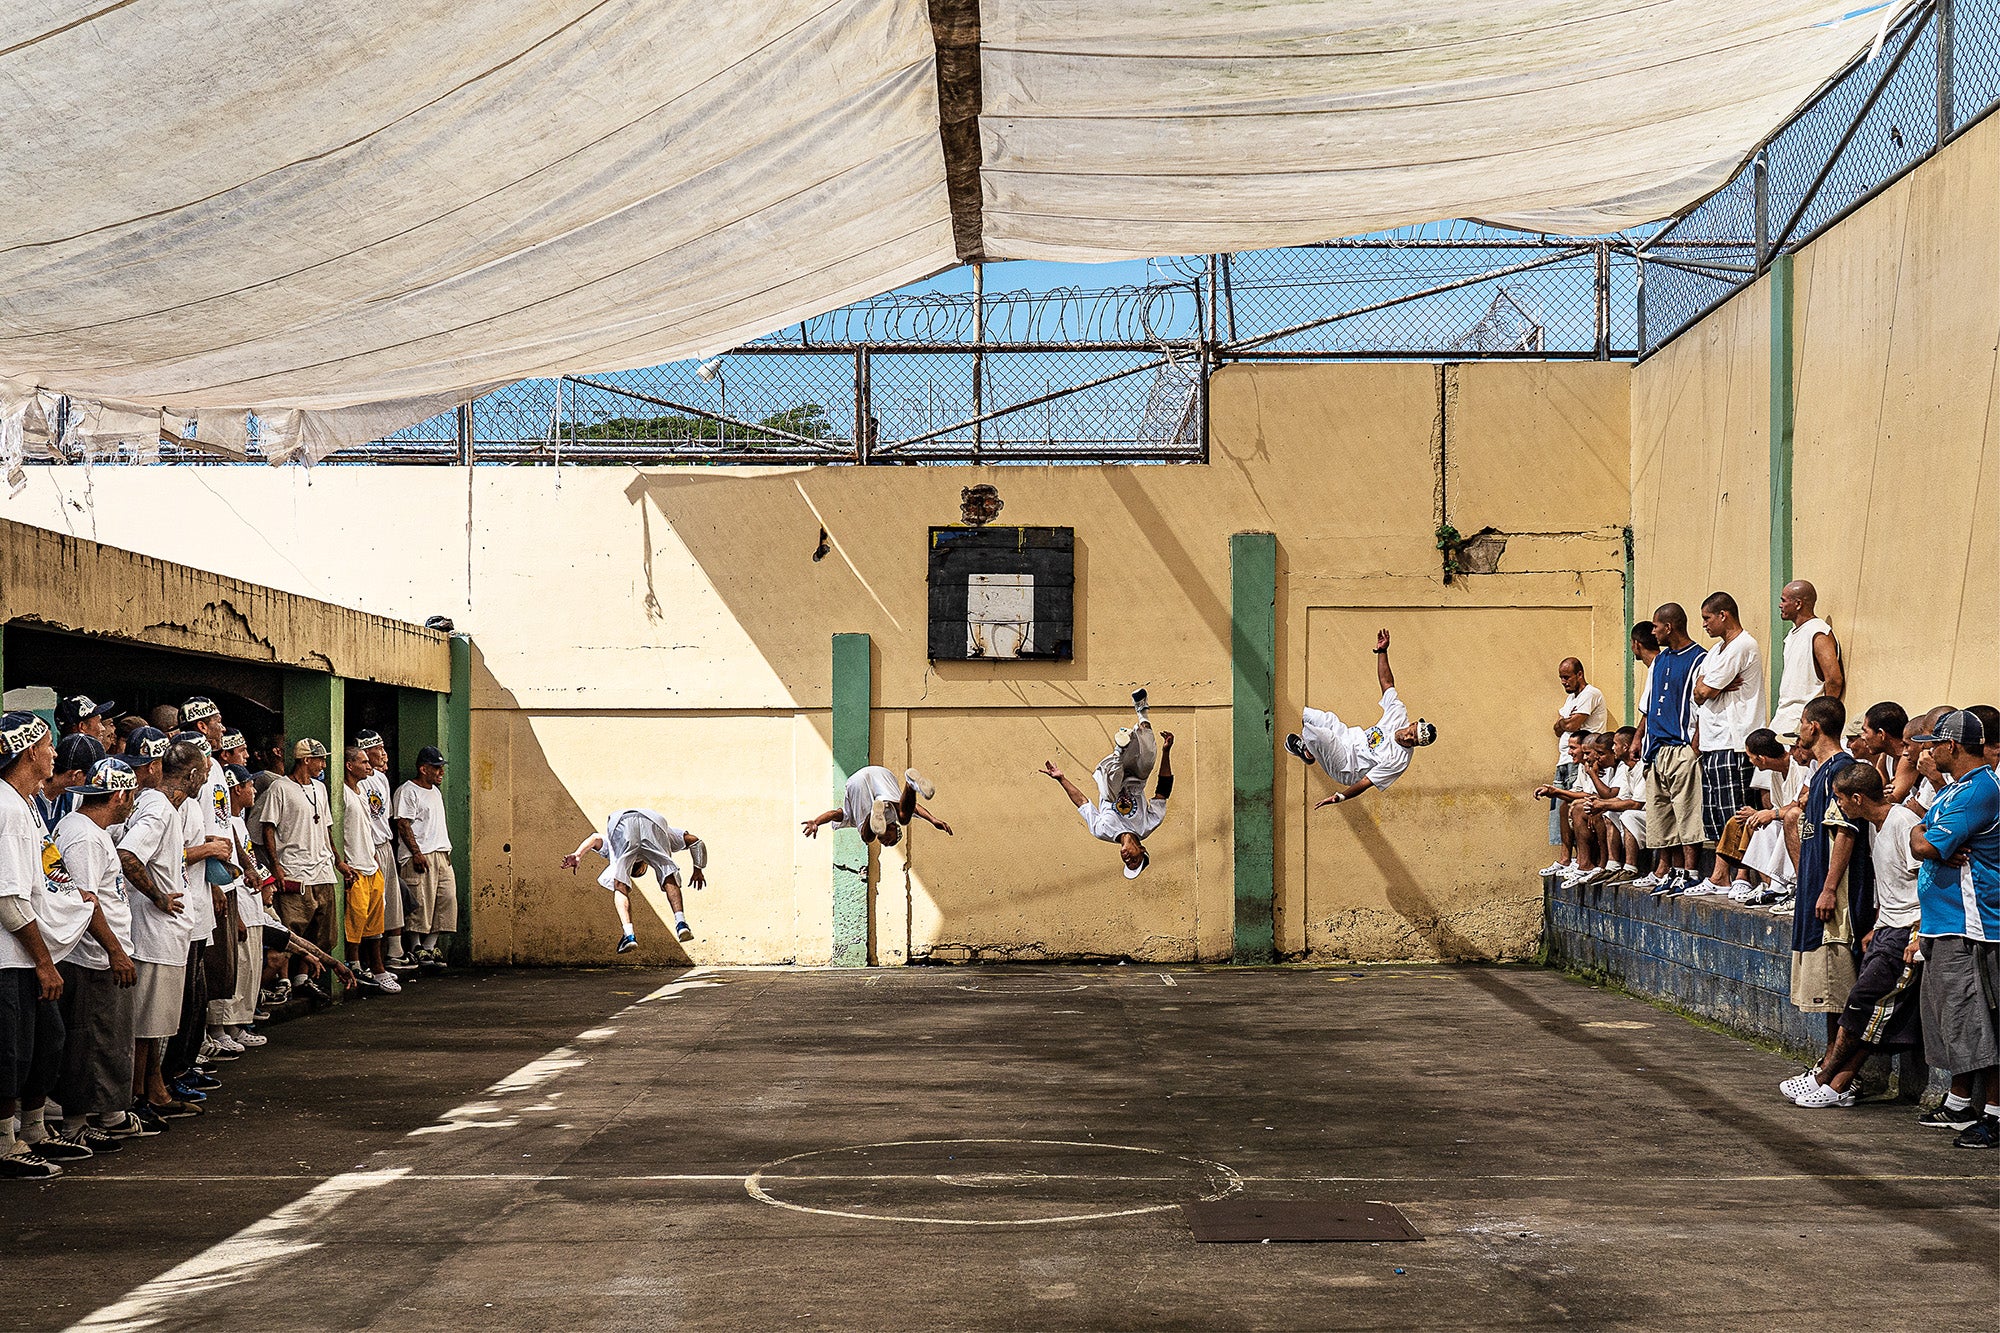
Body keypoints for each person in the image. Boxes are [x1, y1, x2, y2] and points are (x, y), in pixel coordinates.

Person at [1784, 763, 1925, 1107]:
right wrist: (1878, 926)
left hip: (1907, 930)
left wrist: (1920, 932)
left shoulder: (1902, 823)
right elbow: (1890, 885)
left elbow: (1926, 881)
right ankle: (1837, 1081)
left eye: (1841, 800)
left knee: (1864, 1003)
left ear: (1857, 798)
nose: (1840, 807)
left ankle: (1827, 1076)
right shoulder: (1875, 826)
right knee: (1867, 1007)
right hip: (1887, 928)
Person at [1906, 710, 2000, 1149]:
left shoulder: (1979, 790)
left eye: (1934, 744)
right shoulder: (1957, 790)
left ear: (1952, 747)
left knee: (1983, 1024)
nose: (1926, 751)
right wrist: (1926, 835)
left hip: (1973, 926)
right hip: (1947, 923)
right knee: (1956, 1022)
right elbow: (1919, 835)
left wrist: (1926, 838)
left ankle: (1995, 1115)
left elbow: (1924, 843)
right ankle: (1961, 1102)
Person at [0, 714, 83, 1178]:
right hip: (10, 957)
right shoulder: (8, 808)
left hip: (24, 955)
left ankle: (33, 1130)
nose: (55, 753)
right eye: (50, 745)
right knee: (10, 1052)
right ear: (30, 751)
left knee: (44, 1043)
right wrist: (44, 961)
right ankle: (5, 1144)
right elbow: (9, 902)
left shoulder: (24, 803)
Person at [50, 758, 146, 1151]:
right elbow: (85, 901)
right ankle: (75, 1123)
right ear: (120, 794)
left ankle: (92, 1116)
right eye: (132, 795)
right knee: (90, 1041)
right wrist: (115, 951)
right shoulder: (86, 837)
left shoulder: (90, 829)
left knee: (103, 1040)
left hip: (101, 955)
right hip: (92, 958)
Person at [116, 726, 198, 1131]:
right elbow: (128, 855)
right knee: (144, 1028)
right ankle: (137, 1099)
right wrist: (158, 897)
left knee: (154, 1027)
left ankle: (154, 1090)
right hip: (152, 933)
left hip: (164, 935)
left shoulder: (161, 805)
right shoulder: (159, 807)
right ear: (193, 775)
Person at [1791, 697, 1873, 1053]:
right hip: (1813, 891)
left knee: (1835, 987)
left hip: (1835, 901)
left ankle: (1837, 1073)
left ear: (1814, 726)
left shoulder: (1842, 770)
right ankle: (1827, 1065)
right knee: (1823, 992)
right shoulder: (1819, 772)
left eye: (1801, 722)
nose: (1798, 730)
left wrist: (1827, 889)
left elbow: (1846, 832)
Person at [1287, 629, 1438, 812]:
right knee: (1311, 716)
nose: (1407, 738)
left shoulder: (1400, 761)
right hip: (1348, 737)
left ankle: (1308, 750)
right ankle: (1310, 754)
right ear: (1412, 724)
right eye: (1411, 733)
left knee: (1317, 735)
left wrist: (1340, 796)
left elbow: (1367, 782)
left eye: (1413, 742)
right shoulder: (1398, 713)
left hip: (1346, 766)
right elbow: (1387, 684)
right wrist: (1382, 651)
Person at [1041, 692, 1170, 878]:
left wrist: (1061, 778)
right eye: (1134, 860)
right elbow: (1163, 791)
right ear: (1142, 850)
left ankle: (1119, 750)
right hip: (1136, 779)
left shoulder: (1102, 830)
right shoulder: (1147, 825)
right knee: (1149, 756)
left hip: (1111, 781)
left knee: (1110, 793)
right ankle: (1142, 710)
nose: (1127, 859)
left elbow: (1083, 802)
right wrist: (1166, 752)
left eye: (1126, 863)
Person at [253, 740, 338, 993]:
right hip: (294, 868)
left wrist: (337, 859)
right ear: (305, 760)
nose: (323, 764)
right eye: (319, 759)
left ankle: (303, 978)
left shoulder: (320, 788)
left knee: (321, 930)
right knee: (291, 928)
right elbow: (268, 827)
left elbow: (326, 827)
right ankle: (285, 980)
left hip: (322, 868)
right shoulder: (280, 787)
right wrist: (276, 867)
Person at [1635, 604, 1707, 892]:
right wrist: (1643, 741)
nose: (1653, 632)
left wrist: (1694, 748)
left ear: (1669, 627)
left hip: (1681, 748)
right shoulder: (1660, 661)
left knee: (1687, 812)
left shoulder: (1699, 659)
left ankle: (1691, 871)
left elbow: (1703, 706)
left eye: (1656, 626)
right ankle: (1674, 871)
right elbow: (1650, 705)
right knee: (1662, 815)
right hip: (1657, 749)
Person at [564, 810, 709, 949]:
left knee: (620, 883)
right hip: (647, 821)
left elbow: (595, 838)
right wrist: (698, 869)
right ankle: (681, 923)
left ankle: (629, 934)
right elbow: (696, 842)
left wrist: (578, 854)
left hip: (624, 822)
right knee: (667, 874)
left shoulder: (617, 848)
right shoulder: (664, 836)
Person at [1692, 592, 1766, 849]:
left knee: (1736, 812)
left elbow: (1704, 690)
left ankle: (1742, 875)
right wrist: (1714, 686)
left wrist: (1712, 687)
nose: (1704, 624)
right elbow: (1698, 691)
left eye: (1707, 618)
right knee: (1716, 815)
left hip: (1733, 741)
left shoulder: (1743, 645)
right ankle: (1721, 874)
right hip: (1713, 741)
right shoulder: (1714, 651)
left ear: (1723, 615)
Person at [393, 746, 458, 971]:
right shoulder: (408, 791)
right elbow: (403, 823)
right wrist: (416, 853)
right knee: (420, 901)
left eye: (441, 768)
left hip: (441, 853)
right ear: (423, 769)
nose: (441, 772)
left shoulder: (435, 791)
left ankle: (430, 946)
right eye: (436, 768)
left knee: (445, 900)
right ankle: (416, 946)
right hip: (420, 854)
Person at [337, 747, 395, 989]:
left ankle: (378, 968)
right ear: (349, 766)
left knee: (375, 922)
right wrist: (341, 861)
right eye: (363, 762)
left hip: (371, 864)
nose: (368, 765)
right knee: (356, 921)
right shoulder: (342, 793)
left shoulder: (362, 792)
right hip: (356, 866)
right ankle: (354, 965)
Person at [354, 732, 412, 972]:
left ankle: (395, 952)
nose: (384, 753)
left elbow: (384, 817)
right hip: (368, 848)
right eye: (378, 748)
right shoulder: (357, 782)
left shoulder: (381, 779)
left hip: (384, 844)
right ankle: (365, 961)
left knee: (393, 899)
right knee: (370, 906)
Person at [1546, 659, 1609, 868]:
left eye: (1567, 677)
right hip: (1564, 760)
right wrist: (1563, 723)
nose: (1563, 682)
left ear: (1579, 674)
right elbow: (1557, 728)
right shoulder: (1570, 700)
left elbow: (1572, 724)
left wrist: (1564, 722)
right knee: (1560, 810)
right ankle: (1566, 858)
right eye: (1561, 678)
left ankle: (1583, 859)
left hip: (1579, 760)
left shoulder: (1590, 694)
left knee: (1573, 807)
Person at [803, 766, 952, 851]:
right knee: (903, 817)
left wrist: (816, 822)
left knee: (869, 836)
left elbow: (834, 814)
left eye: (884, 842)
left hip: (867, 778)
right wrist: (932, 819)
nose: (884, 842)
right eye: (890, 841)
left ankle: (910, 784)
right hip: (879, 776)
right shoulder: (893, 816)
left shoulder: (852, 818)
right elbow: (915, 809)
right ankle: (907, 787)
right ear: (893, 828)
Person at [1770, 580, 1844, 736]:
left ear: (1798, 604)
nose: (1780, 605)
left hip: (1802, 726)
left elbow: (1834, 680)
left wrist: (1821, 719)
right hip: (1784, 720)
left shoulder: (1818, 631)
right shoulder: (1792, 635)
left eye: (1783, 600)